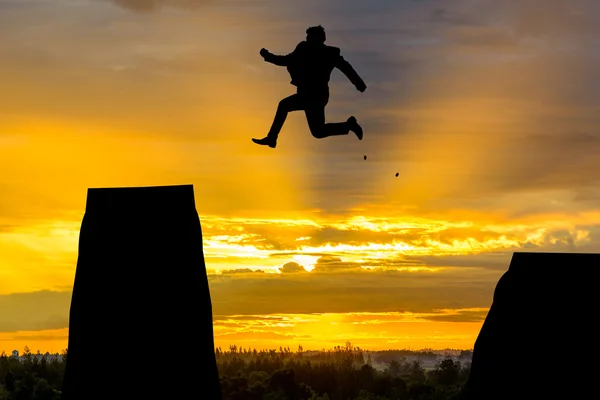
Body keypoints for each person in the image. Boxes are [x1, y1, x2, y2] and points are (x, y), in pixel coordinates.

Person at [252, 25, 367, 149]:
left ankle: (271, 138)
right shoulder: (303, 48)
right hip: (306, 94)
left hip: (317, 95)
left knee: (284, 105)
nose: (307, 39)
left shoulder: (329, 53)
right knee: (318, 132)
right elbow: (287, 60)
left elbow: (346, 67)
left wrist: (359, 84)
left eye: (309, 37)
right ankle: (349, 126)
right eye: (307, 37)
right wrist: (268, 56)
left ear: (318, 38)